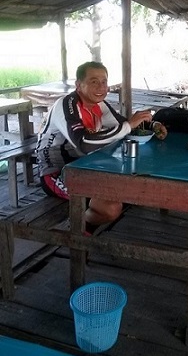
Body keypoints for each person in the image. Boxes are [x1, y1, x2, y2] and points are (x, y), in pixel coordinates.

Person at [36, 61, 167, 233]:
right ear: (79, 85)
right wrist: (129, 125)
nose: (101, 87)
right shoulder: (67, 105)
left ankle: (81, 229)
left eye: (104, 82)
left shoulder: (99, 104)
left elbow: (123, 125)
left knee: (129, 188)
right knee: (110, 207)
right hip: (57, 171)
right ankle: (73, 230)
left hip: (88, 166)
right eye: (93, 81)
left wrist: (153, 125)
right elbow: (84, 144)